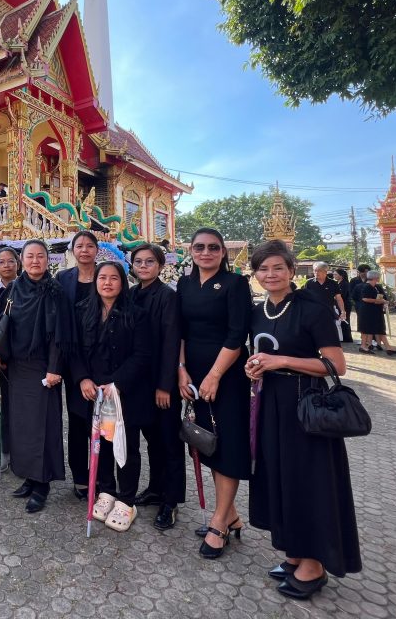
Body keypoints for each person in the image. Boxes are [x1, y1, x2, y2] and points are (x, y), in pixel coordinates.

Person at [246, 239, 362, 600]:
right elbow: (262, 354)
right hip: (270, 403)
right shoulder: (259, 310)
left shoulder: (312, 308)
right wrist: (256, 366)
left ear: (292, 270)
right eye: (263, 269)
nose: (270, 275)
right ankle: (294, 553)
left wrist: (281, 361)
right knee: (280, 477)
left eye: (278, 268)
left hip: (305, 405)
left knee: (307, 481)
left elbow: (336, 364)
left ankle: (314, 564)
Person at [0, 239, 75, 513]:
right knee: (21, 425)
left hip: (44, 368)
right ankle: (28, 476)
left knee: (43, 426)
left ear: (48, 260)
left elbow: (60, 335)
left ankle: (42, 483)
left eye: (40, 256)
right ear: (22, 260)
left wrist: (55, 369)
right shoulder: (14, 288)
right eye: (30, 256)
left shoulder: (55, 291)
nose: (35, 261)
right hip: (17, 367)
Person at [176, 227, 252, 558]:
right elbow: (179, 330)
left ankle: (219, 523)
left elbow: (237, 334)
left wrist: (215, 375)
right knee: (205, 443)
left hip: (227, 375)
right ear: (191, 251)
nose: (205, 253)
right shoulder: (185, 284)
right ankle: (231, 514)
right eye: (199, 247)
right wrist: (181, 369)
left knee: (228, 447)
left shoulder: (235, 284)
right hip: (193, 373)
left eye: (213, 247)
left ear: (223, 252)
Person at [72, 261, 153, 531]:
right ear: (95, 281)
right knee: (100, 443)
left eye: (114, 278)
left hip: (123, 393)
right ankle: (106, 490)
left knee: (125, 445)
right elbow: (73, 350)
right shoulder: (82, 310)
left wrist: (118, 383)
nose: (107, 283)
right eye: (102, 278)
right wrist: (82, 378)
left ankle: (126, 500)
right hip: (93, 392)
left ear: (122, 282)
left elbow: (143, 354)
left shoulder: (136, 314)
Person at [128, 243, 185, 531]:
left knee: (169, 442)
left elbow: (171, 342)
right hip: (137, 382)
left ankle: (170, 501)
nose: (143, 266)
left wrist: (165, 386)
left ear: (160, 266)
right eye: (138, 262)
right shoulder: (131, 294)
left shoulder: (167, 296)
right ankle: (155, 488)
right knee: (151, 439)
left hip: (161, 382)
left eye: (149, 261)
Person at [57, 230, 100, 500]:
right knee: (77, 420)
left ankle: (102, 475)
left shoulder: (107, 275)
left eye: (89, 246)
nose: (84, 250)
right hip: (73, 360)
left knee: (102, 422)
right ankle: (80, 477)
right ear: (73, 250)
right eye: (79, 246)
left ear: (97, 250)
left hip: (103, 358)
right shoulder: (63, 278)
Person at [0, 247, 20, 460]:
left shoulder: (25, 287)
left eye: (11, 261)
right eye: (1, 262)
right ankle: (4, 449)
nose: (7, 266)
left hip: (20, 355)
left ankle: (21, 450)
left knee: (20, 404)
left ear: (18, 264)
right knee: (1, 403)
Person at [357, 271, 396, 354]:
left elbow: (381, 297)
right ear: (375, 278)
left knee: (379, 328)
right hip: (367, 311)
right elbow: (365, 299)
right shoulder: (366, 286)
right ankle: (363, 346)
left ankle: (387, 347)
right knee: (366, 329)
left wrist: (383, 302)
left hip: (376, 311)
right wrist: (379, 301)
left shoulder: (376, 286)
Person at [348, 264, 370, 341]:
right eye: (364, 272)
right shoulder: (354, 280)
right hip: (359, 303)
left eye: (367, 271)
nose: (365, 273)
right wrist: (354, 302)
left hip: (370, 304)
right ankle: (363, 337)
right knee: (361, 320)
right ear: (359, 272)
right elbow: (350, 292)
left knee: (370, 320)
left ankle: (371, 338)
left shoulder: (370, 280)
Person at [332, 268, 354, 344]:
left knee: (345, 320)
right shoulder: (337, 283)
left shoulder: (345, 284)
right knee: (340, 320)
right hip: (338, 304)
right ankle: (342, 337)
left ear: (341, 276)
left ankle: (347, 337)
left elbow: (342, 295)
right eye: (334, 274)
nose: (334, 276)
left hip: (345, 304)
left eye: (336, 274)